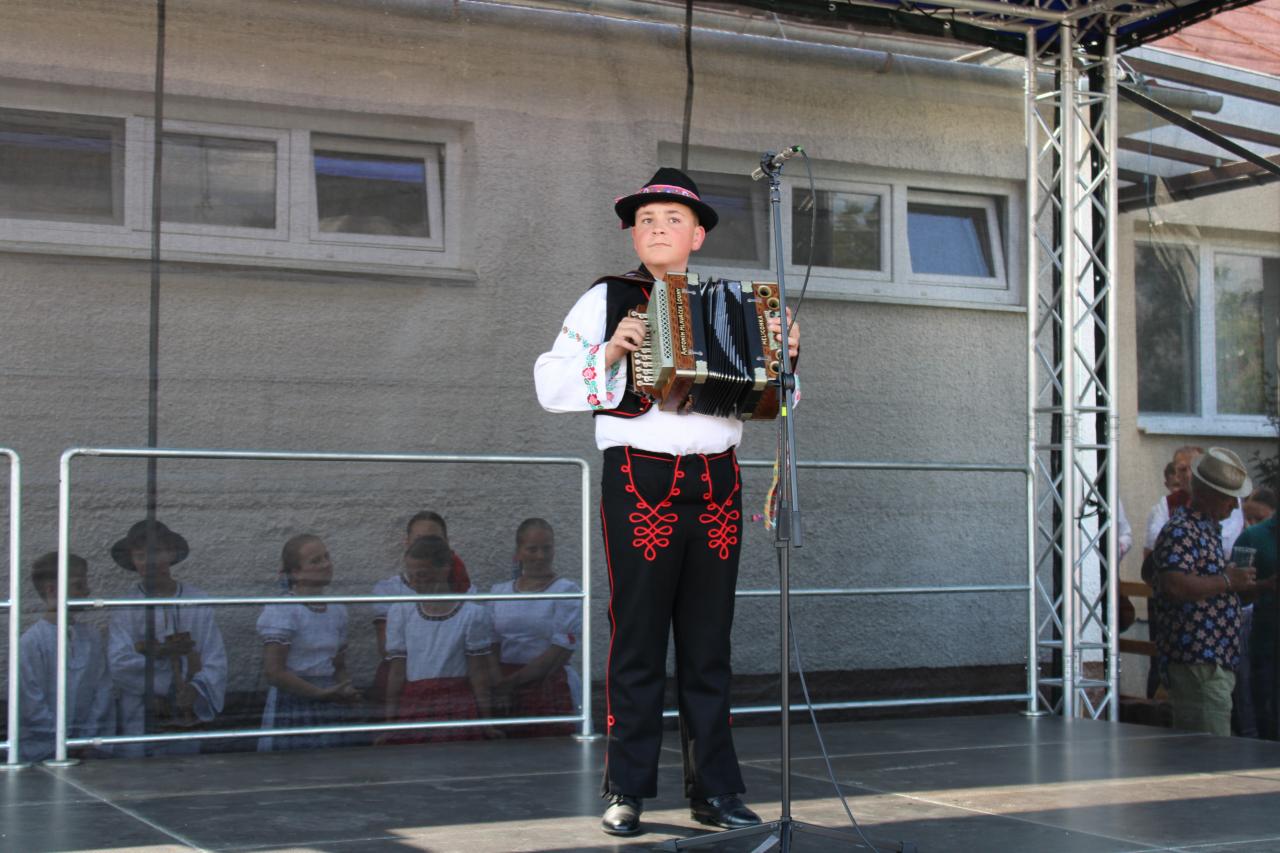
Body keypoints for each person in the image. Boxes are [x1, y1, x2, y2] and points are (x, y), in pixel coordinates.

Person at [534, 167, 799, 837]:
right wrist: (610, 353)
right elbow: (550, 383)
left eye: (673, 219)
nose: (657, 228)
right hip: (639, 478)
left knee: (710, 643)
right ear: (633, 233)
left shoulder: (736, 304)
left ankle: (716, 790)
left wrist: (786, 359)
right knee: (640, 638)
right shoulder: (606, 297)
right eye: (646, 219)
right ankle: (626, 789)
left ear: (698, 235)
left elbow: (776, 402)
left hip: (718, 481)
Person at [1150, 447, 1257, 736]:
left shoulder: (1204, 529)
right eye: (1228, 497)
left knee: (1209, 745)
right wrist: (1227, 581)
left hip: (1210, 661)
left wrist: (1243, 585)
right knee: (1208, 750)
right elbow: (1174, 584)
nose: (1234, 506)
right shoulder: (1183, 530)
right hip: (1198, 661)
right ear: (1208, 494)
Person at [107, 519, 226, 756]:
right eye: (141, 556)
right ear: (132, 560)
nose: (149, 562)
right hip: (141, 711)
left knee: (185, 766)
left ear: (171, 553)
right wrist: (163, 686)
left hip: (187, 709)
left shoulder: (196, 601)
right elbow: (118, 662)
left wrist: (194, 688)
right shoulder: (126, 607)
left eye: (157, 552)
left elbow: (215, 656)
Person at [381, 535, 498, 743]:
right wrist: (390, 724)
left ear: (444, 570)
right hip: (415, 705)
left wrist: (487, 722)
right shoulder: (401, 612)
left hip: (457, 707)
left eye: (422, 576)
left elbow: (478, 673)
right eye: (410, 577)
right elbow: (397, 672)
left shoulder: (471, 615)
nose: (414, 583)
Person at [257, 533, 362, 751]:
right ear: (296, 572)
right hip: (294, 701)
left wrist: (347, 689)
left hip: (330, 699)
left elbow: (339, 666)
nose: (326, 564)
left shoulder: (337, 610)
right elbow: (274, 672)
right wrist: (317, 693)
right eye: (316, 561)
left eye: (327, 557)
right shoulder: (284, 609)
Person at [489, 518, 582, 737]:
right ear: (519, 552)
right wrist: (498, 683)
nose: (540, 556)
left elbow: (560, 650)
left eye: (546, 548)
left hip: (548, 683)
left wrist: (512, 683)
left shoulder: (566, 591)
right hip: (504, 688)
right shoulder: (498, 592)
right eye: (532, 549)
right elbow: (490, 644)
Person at [19, 552, 114, 763]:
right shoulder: (32, 642)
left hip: (87, 749)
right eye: (78, 585)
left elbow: (103, 689)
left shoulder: (91, 636)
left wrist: (86, 738)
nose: (87, 591)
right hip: (43, 752)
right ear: (52, 590)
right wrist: (62, 741)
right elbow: (30, 703)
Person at [368, 511, 472, 705]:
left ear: (447, 544)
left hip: (454, 683)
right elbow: (387, 649)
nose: (427, 546)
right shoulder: (389, 590)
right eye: (419, 540)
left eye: (435, 540)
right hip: (403, 680)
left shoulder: (467, 591)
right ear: (407, 543)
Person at [1236, 488, 1279, 739]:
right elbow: (1236, 593)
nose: (1249, 522)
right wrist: (1265, 586)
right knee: (1268, 719)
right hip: (1266, 643)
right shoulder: (1253, 537)